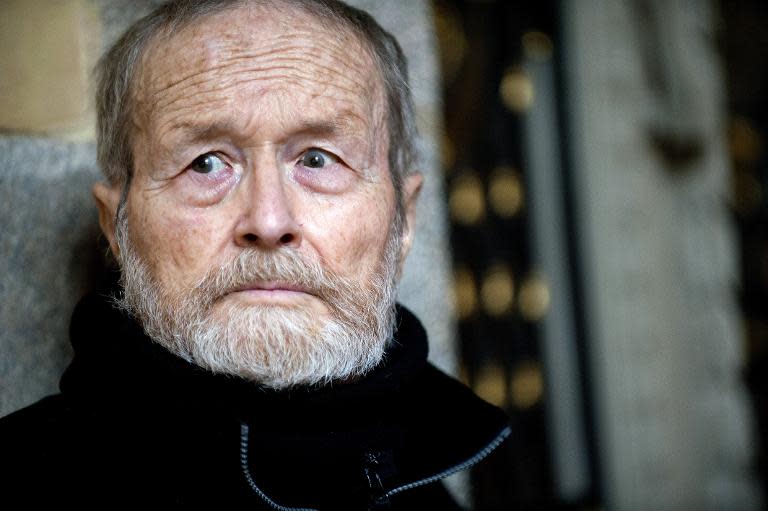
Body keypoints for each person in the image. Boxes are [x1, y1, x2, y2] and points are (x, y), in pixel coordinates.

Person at [0, 0, 509, 507]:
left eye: (317, 159)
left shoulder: (428, 492)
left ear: (405, 221)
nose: (268, 222)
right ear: (118, 227)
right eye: (205, 164)